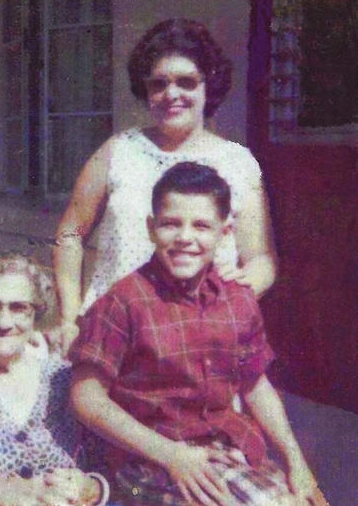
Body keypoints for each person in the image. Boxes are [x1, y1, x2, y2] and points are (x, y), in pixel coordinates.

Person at [69, 162, 327, 506]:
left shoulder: (238, 300)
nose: (185, 238)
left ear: (225, 232)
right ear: (151, 228)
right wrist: (172, 455)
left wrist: (296, 463)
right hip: (148, 460)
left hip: (223, 452)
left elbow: (254, 385)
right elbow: (86, 398)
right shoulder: (124, 302)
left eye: (202, 225)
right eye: (171, 224)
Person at [53, 18, 276, 351]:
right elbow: (70, 235)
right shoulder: (118, 152)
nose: (172, 94)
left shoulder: (237, 163)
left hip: (199, 339)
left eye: (186, 82)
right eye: (159, 84)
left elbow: (261, 260)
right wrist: (70, 318)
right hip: (115, 333)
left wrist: (229, 303)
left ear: (207, 86)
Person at [0, 252, 109, 506]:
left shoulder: (65, 379)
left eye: (18, 308)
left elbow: (113, 475)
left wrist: (92, 488)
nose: (4, 322)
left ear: (36, 313)